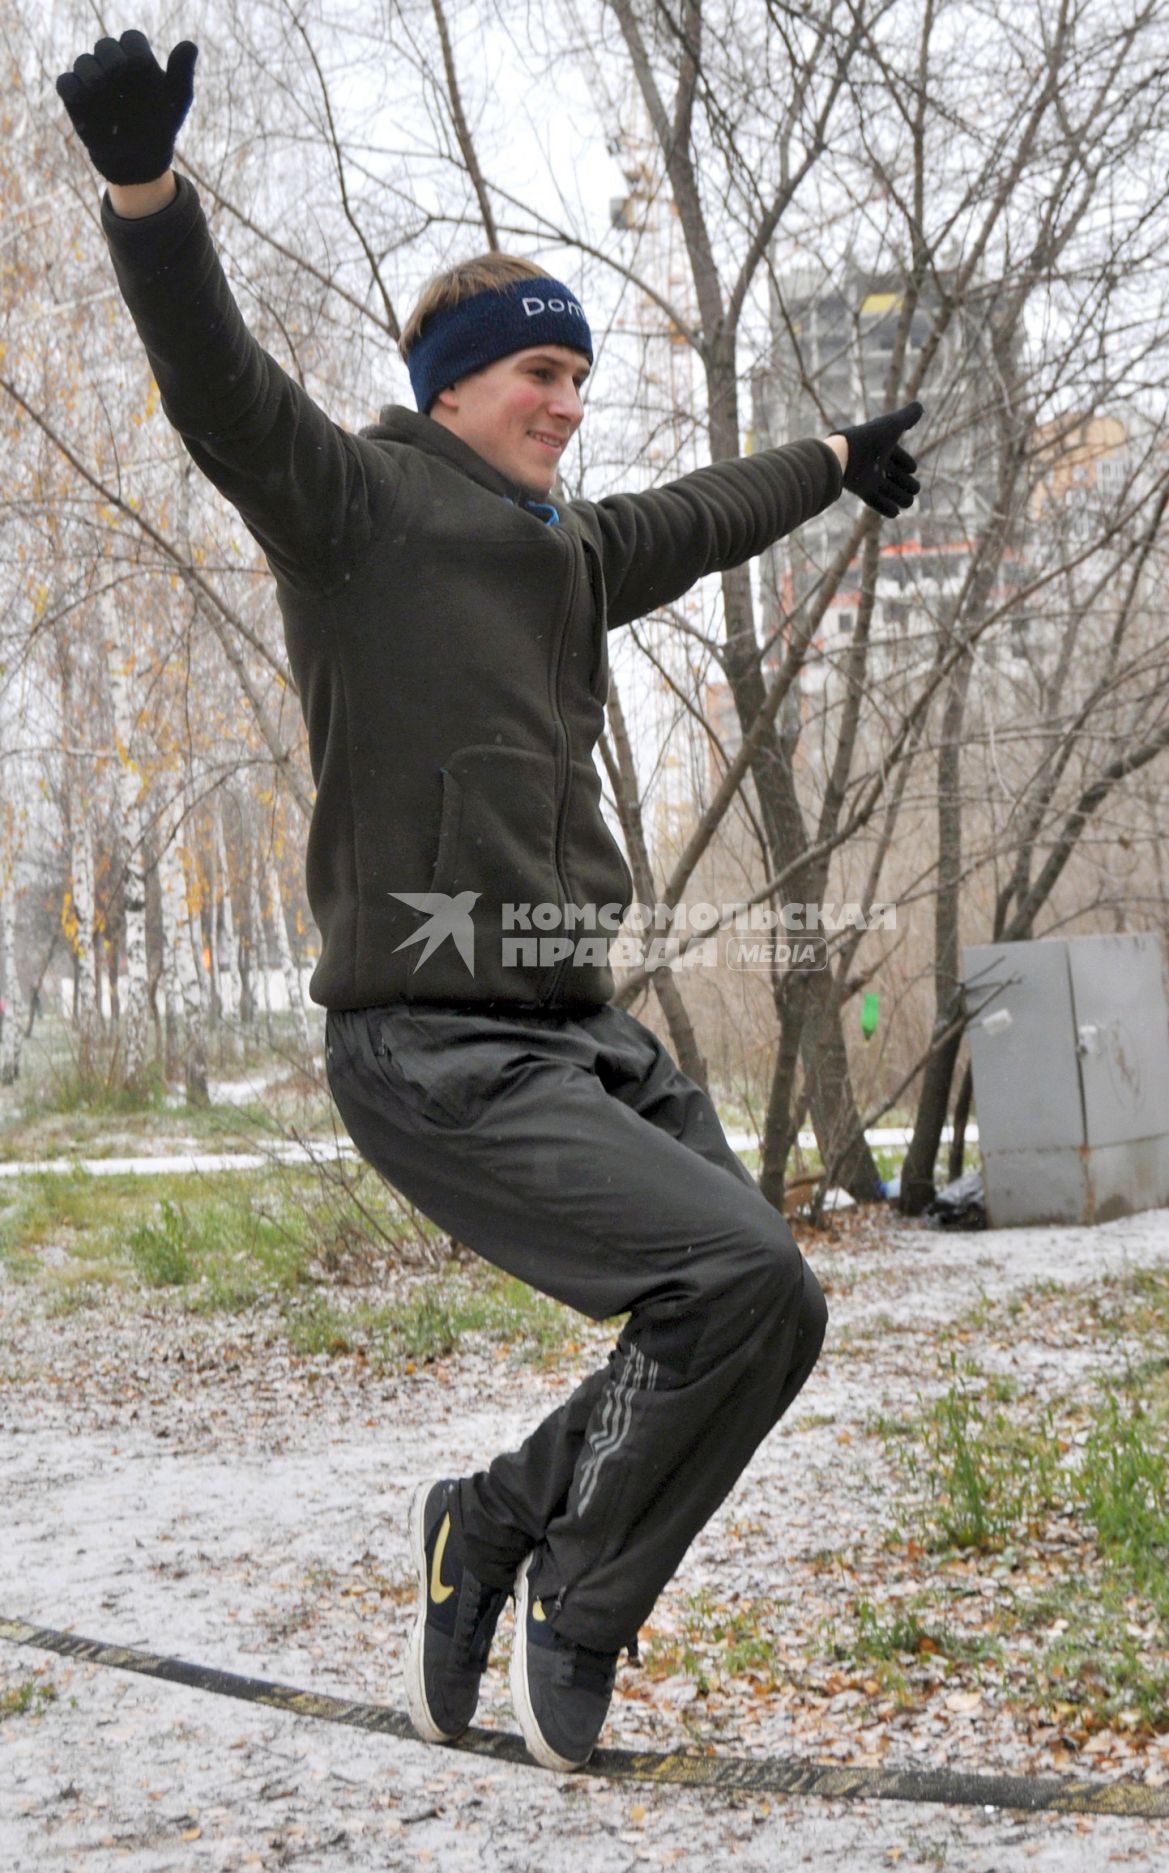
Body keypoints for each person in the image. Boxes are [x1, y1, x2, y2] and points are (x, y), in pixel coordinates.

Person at [57, 30, 924, 1772]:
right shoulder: (357, 508)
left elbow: (696, 510)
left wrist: (833, 455)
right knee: (735, 1263)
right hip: (428, 1043)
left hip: (573, 1033)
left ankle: (491, 1520)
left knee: (773, 1301)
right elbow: (219, 389)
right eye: (541, 372)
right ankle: (577, 1598)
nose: (568, 405)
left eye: (581, 381)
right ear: (454, 385)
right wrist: (148, 200)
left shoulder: (571, 554)